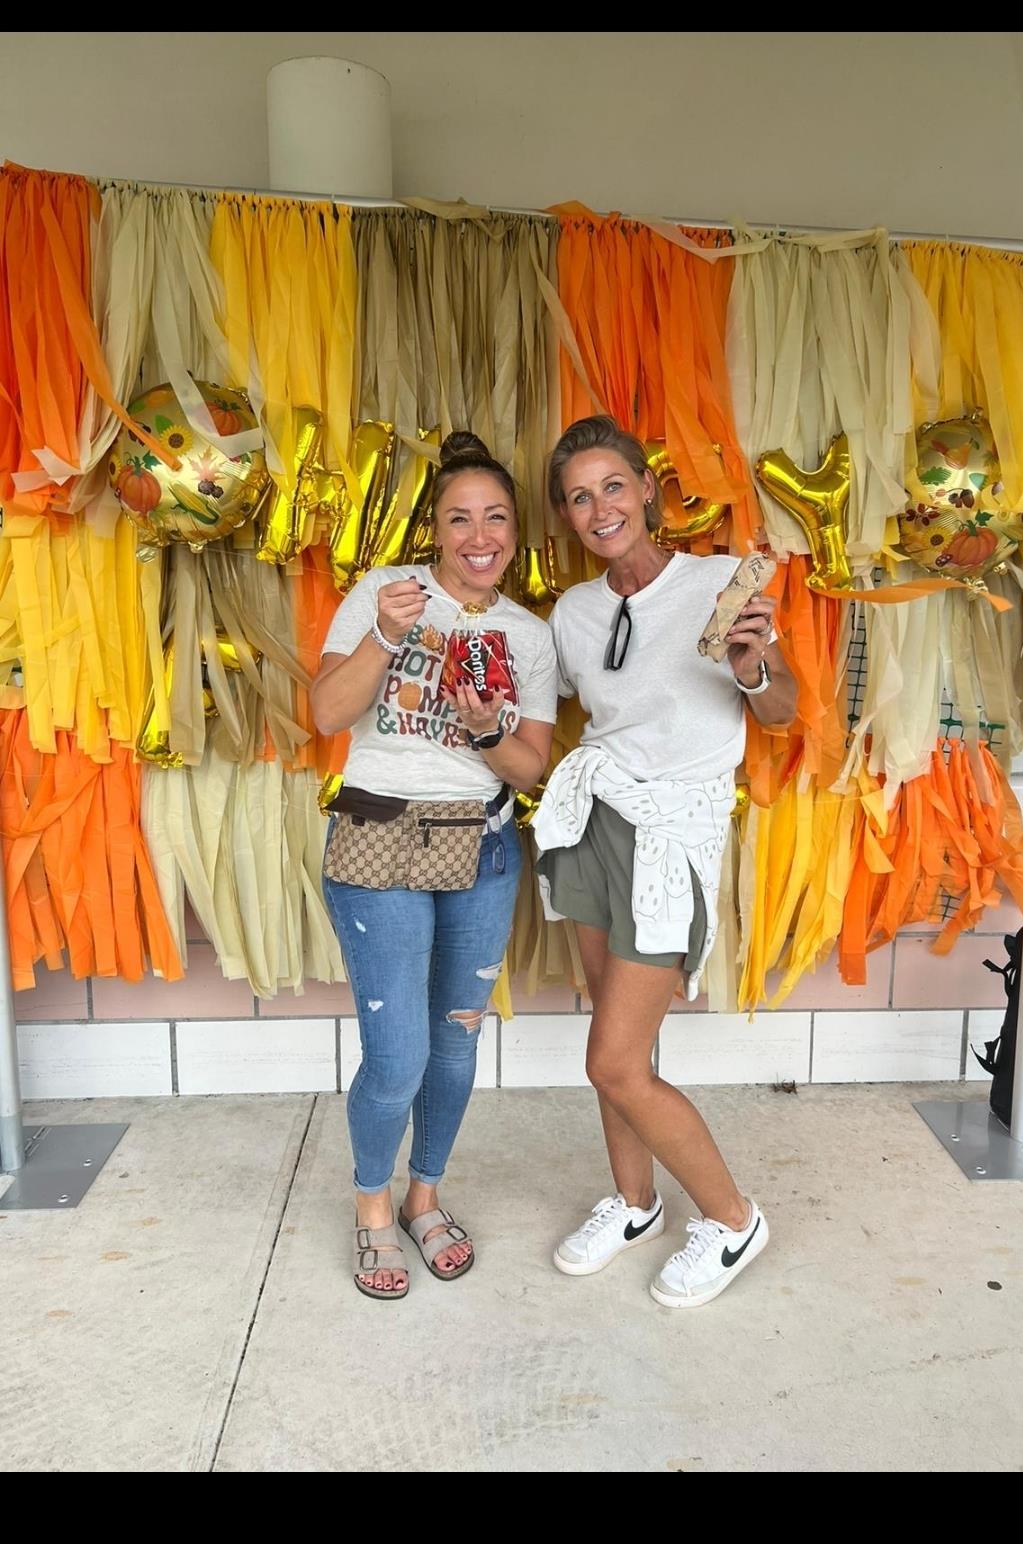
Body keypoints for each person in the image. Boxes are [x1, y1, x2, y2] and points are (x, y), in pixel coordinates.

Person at [532, 415, 797, 1309]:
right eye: (578, 497)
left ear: (647, 490)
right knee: (621, 1041)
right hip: (593, 823)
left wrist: (755, 670)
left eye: (612, 486)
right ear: (565, 516)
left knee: (611, 1061)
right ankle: (635, 1202)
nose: (598, 508)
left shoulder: (722, 582)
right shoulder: (572, 612)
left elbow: (780, 712)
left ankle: (730, 1219)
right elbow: (559, 709)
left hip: (673, 835)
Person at [312, 432, 557, 1301]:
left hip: (484, 850)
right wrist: (386, 634)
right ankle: (371, 1207)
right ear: (437, 529)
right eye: (460, 517)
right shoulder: (385, 593)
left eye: (494, 517)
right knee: (398, 1054)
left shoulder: (527, 635)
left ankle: (425, 1195)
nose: (477, 534)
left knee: (455, 1047)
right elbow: (327, 710)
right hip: (381, 842)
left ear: (514, 532)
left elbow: (531, 769)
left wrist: (488, 728)